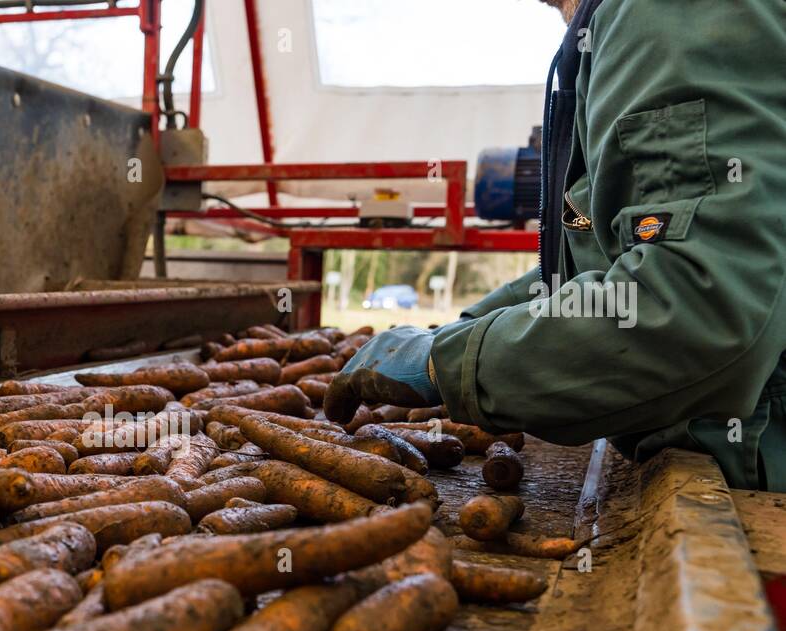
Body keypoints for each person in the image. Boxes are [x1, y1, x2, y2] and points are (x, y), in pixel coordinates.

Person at [325, 0, 786, 490]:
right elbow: (596, 254)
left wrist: (446, 363)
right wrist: (464, 329)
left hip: (757, 484)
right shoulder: (615, 22)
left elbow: (697, 304)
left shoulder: (666, 11)